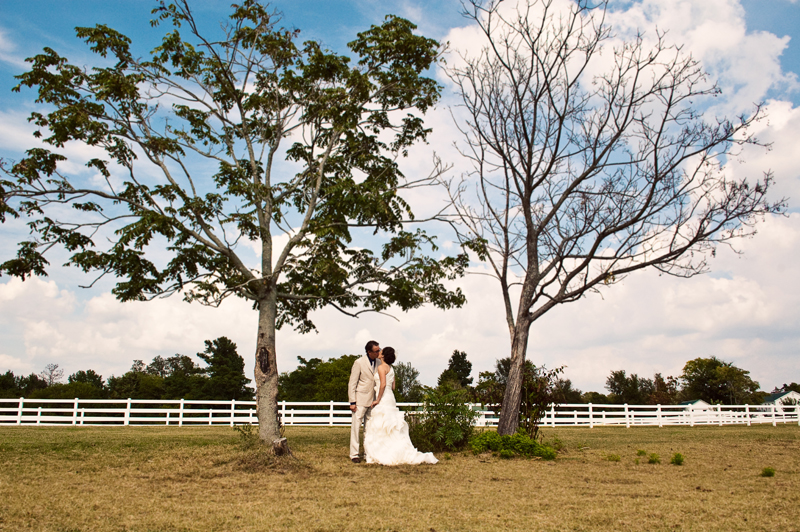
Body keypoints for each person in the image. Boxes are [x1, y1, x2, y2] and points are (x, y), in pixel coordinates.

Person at [364, 347, 438, 465]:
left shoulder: (381, 367)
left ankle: (383, 451)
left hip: (383, 397)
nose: (379, 352)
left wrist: (377, 399)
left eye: (381, 352)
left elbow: (383, 385)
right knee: (390, 425)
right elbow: (393, 387)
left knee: (382, 424)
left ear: (383, 356)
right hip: (390, 397)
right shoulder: (391, 369)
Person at [348, 340, 382, 463]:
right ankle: (354, 454)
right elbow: (352, 382)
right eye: (376, 351)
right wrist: (352, 401)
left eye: (379, 350)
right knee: (356, 428)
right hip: (360, 399)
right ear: (369, 352)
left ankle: (368, 452)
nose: (379, 352)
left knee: (369, 428)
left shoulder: (379, 362)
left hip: (373, 401)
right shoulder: (359, 362)